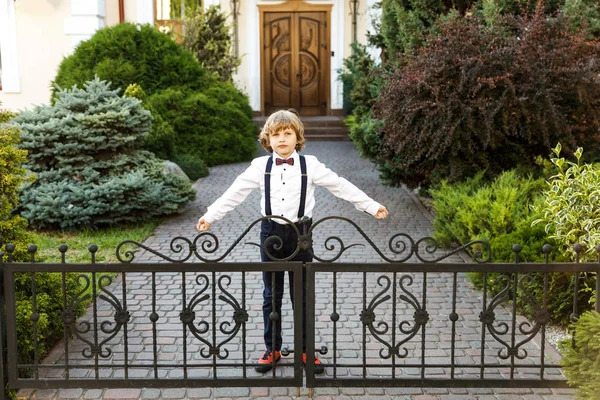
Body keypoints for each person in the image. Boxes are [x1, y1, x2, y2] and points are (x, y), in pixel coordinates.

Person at [196, 109, 389, 374]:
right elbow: (234, 192)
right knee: (271, 296)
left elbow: (340, 185)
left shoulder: (311, 165)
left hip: (301, 236)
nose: (282, 139)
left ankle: (306, 350)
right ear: (268, 138)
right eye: (276, 134)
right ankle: (272, 348)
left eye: (288, 133)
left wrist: (370, 205)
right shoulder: (259, 166)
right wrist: (210, 216)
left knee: (302, 295)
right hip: (270, 234)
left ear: (297, 137)